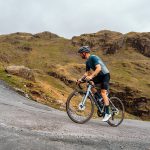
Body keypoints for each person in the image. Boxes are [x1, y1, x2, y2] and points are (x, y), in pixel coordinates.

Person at [77, 46, 111, 122]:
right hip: (99, 76)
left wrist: (91, 76)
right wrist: (80, 79)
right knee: (90, 83)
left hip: (105, 75)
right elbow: (86, 73)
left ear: (84, 53)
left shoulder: (93, 57)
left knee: (103, 92)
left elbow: (99, 68)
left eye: (80, 54)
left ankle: (107, 113)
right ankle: (99, 98)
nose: (80, 55)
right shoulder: (87, 62)